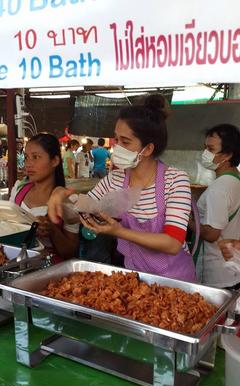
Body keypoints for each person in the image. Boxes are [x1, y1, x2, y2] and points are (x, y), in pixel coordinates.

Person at [47, 95, 196, 282]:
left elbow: (173, 243)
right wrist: (62, 196)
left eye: (125, 142)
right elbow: (76, 214)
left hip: (175, 282)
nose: (117, 147)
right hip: (136, 279)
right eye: (116, 139)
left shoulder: (174, 180)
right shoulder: (115, 180)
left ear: (148, 149)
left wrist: (118, 231)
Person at [10, 133, 79, 261]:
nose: (28, 164)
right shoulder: (18, 190)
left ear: (55, 161)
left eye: (35, 157)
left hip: (50, 273)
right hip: (15, 264)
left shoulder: (67, 200)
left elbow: (70, 252)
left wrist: (52, 231)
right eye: (26, 157)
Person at [190, 124, 240, 289]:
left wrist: (187, 220)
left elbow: (211, 234)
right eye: (205, 147)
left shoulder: (219, 188)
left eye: (210, 149)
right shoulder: (236, 180)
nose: (205, 153)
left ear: (227, 154)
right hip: (233, 267)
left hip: (216, 271)